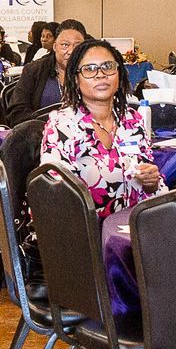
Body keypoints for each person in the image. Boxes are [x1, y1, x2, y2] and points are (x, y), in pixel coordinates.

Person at [40, 38, 160, 218]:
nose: (100, 74)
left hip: (134, 227)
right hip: (84, 233)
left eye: (108, 66)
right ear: (75, 79)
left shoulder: (132, 120)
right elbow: (56, 193)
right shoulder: (62, 125)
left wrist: (152, 182)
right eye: (89, 69)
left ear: (119, 76)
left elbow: (150, 178)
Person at [8, 19, 88, 124]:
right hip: (41, 133)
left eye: (77, 46)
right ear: (55, 46)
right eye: (65, 45)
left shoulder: (95, 72)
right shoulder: (33, 70)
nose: (71, 51)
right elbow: (16, 113)